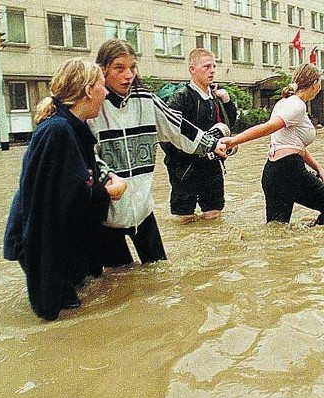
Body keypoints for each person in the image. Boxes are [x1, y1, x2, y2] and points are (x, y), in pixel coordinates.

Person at [3, 58, 128, 321]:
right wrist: (109, 193)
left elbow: (76, 181)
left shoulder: (73, 127)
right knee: (63, 316)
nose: (106, 93)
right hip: (43, 244)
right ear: (87, 91)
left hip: (60, 242)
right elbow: (51, 205)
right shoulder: (56, 131)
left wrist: (104, 178)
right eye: (102, 86)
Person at [88, 39, 227, 267]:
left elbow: (177, 125)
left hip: (142, 210)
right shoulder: (94, 106)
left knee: (159, 269)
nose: (128, 75)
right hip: (107, 215)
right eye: (119, 68)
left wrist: (211, 144)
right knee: (120, 281)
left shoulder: (145, 99)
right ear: (103, 69)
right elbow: (87, 155)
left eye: (132, 67)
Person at [220, 63, 324, 226]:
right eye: (319, 84)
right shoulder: (297, 105)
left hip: (273, 173)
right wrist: (234, 140)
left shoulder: (284, 103)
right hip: (289, 171)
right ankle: (316, 246)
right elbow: (268, 128)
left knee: (277, 229)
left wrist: (319, 169)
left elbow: (296, 147)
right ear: (315, 84)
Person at [161, 48, 237, 223]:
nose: (212, 70)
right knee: (183, 218)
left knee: (214, 215)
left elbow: (228, 125)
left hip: (212, 166)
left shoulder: (216, 97)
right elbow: (166, 135)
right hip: (185, 169)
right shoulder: (181, 97)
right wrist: (186, 157)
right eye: (206, 66)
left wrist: (228, 102)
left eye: (214, 66)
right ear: (192, 69)